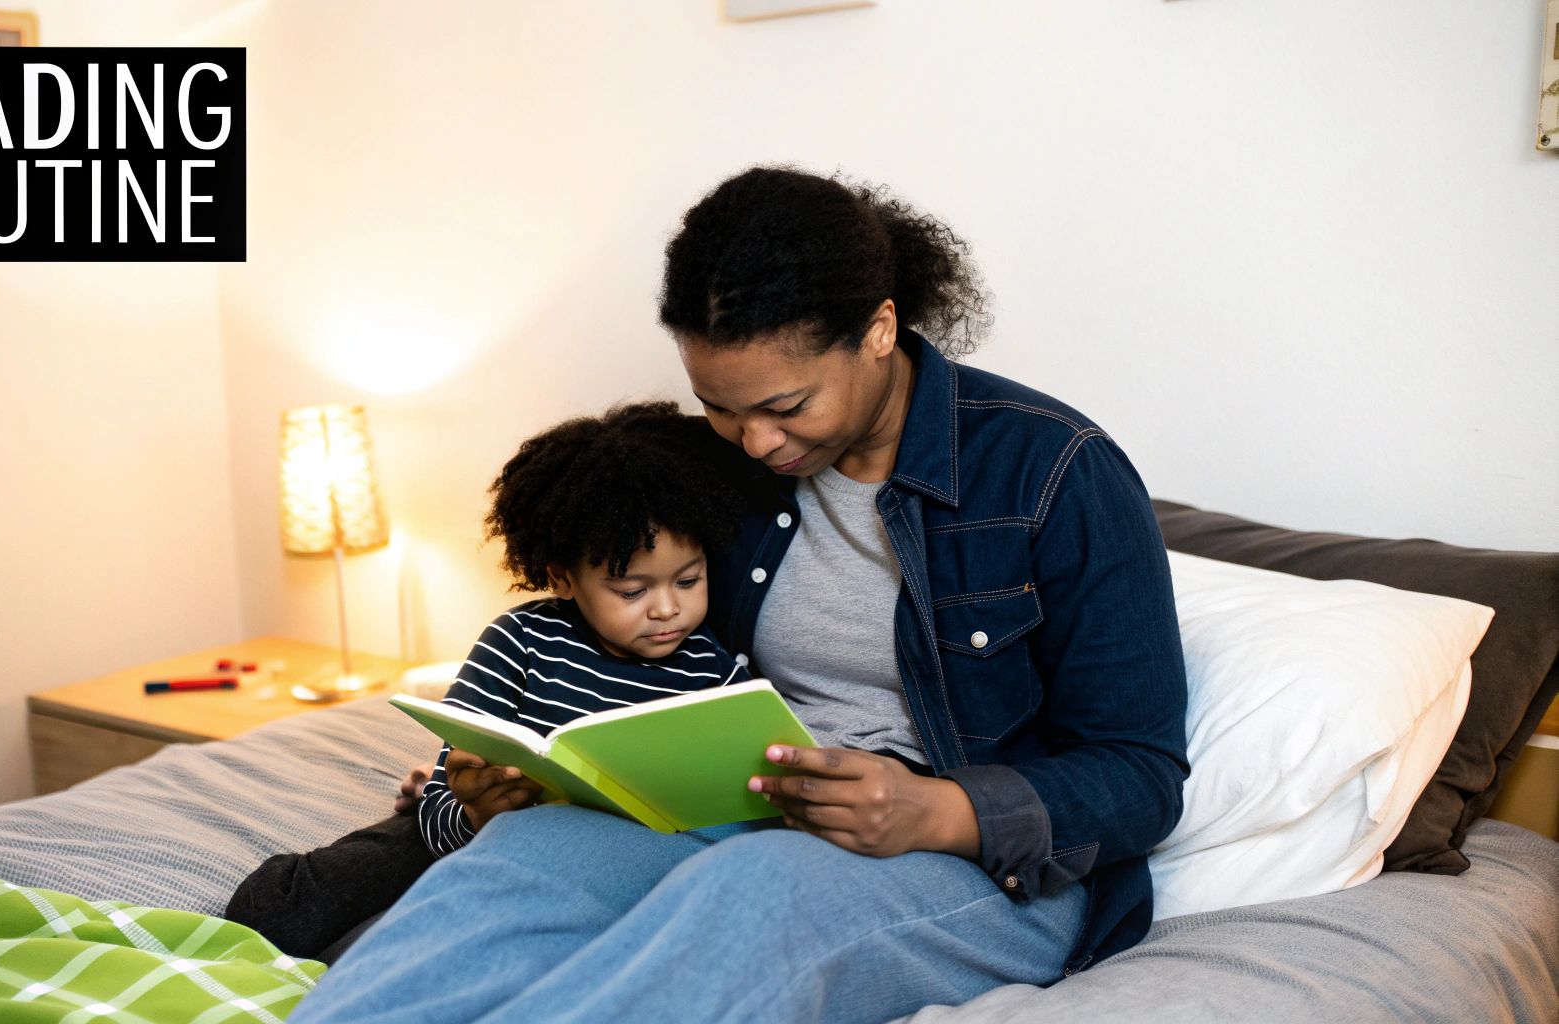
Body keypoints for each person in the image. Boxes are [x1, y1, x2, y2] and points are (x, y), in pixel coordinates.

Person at [293, 167, 1189, 1024]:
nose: (754, 442)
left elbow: (1139, 773)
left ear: (879, 331)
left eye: (787, 405)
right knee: (527, 859)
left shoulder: (1055, 471)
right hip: (744, 813)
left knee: (753, 895)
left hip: (977, 867)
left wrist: (938, 808)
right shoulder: (721, 471)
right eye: (720, 407)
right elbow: (626, 623)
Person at [225, 401, 751, 963]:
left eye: (689, 580)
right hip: (484, 828)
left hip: (615, 851)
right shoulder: (520, 641)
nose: (668, 608)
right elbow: (438, 807)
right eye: (632, 591)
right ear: (563, 577)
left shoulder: (714, 668)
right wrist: (475, 813)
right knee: (281, 912)